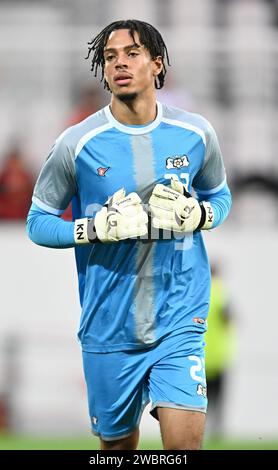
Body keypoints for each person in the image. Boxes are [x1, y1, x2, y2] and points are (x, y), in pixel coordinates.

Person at [26, 19, 232, 450]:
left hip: (180, 317)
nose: (119, 63)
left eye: (132, 53)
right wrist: (94, 228)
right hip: (109, 324)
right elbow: (38, 222)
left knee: (183, 450)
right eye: (110, 56)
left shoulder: (196, 134)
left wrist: (200, 214)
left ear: (157, 65)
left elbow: (221, 197)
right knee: (117, 452)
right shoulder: (76, 144)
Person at [205, 263, 236, 438]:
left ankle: (199, 427)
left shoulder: (199, 290)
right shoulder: (222, 292)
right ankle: (217, 431)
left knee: (200, 397)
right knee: (218, 399)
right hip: (218, 357)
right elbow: (229, 318)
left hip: (200, 356)